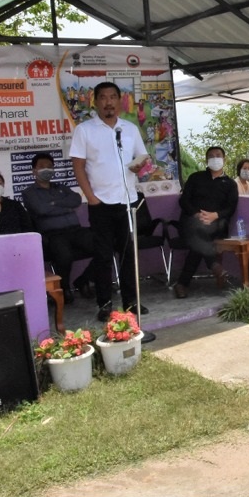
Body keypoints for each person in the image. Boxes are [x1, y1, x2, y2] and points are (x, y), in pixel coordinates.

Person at [70, 81, 150, 321]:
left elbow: (141, 157)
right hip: (100, 203)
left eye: (113, 97)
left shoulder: (129, 128)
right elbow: (78, 166)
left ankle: (131, 303)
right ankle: (105, 304)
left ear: (119, 101)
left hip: (128, 202)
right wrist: (91, 198)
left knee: (128, 256)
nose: (108, 102)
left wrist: (138, 167)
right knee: (103, 256)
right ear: (95, 101)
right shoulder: (85, 130)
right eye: (103, 97)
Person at [22, 152, 96, 303]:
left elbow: (76, 200)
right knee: (64, 256)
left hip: (76, 230)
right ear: (34, 171)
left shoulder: (61, 187)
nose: (46, 169)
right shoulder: (29, 193)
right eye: (42, 166)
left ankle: (83, 280)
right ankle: (64, 289)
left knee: (103, 247)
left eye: (49, 166)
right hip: (54, 234)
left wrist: (53, 204)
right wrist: (64, 206)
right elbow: (40, 209)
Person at [172, 146, 238, 299]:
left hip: (217, 225)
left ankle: (182, 283)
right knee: (199, 232)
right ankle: (215, 266)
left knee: (199, 241)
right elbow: (184, 200)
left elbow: (231, 208)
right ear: (206, 160)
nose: (215, 158)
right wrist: (197, 215)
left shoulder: (230, 184)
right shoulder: (196, 178)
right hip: (192, 222)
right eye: (211, 156)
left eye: (218, 155)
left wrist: (215, 215)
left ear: (224, 158)